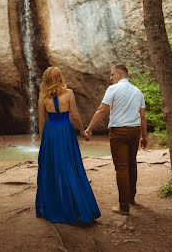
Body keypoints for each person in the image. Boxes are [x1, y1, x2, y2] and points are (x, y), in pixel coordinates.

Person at [35, 66, 101, 224]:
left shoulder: (42, 96)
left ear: (46, 79)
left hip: (51, 133)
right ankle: (78, 207)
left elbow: (42, 121)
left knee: (51, 168)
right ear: (60, 77)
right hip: (65, 131)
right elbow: (75, 116)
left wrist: (44, 140)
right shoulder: (69, 93)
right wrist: (82, 132)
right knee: (70, 166)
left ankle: (54, 206)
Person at [85, 63, 148, 216]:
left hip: (119, 132)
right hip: (134, 131)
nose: (110, 77)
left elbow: (101, 110)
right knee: (132, 165)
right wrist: (144, 137)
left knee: (121, 168)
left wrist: (89, 129)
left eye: (112, 74)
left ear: (120, 74)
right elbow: (142, 117)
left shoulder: (113, 89)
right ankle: (131, 197)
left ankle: (124, 206)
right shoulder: (138, 92)